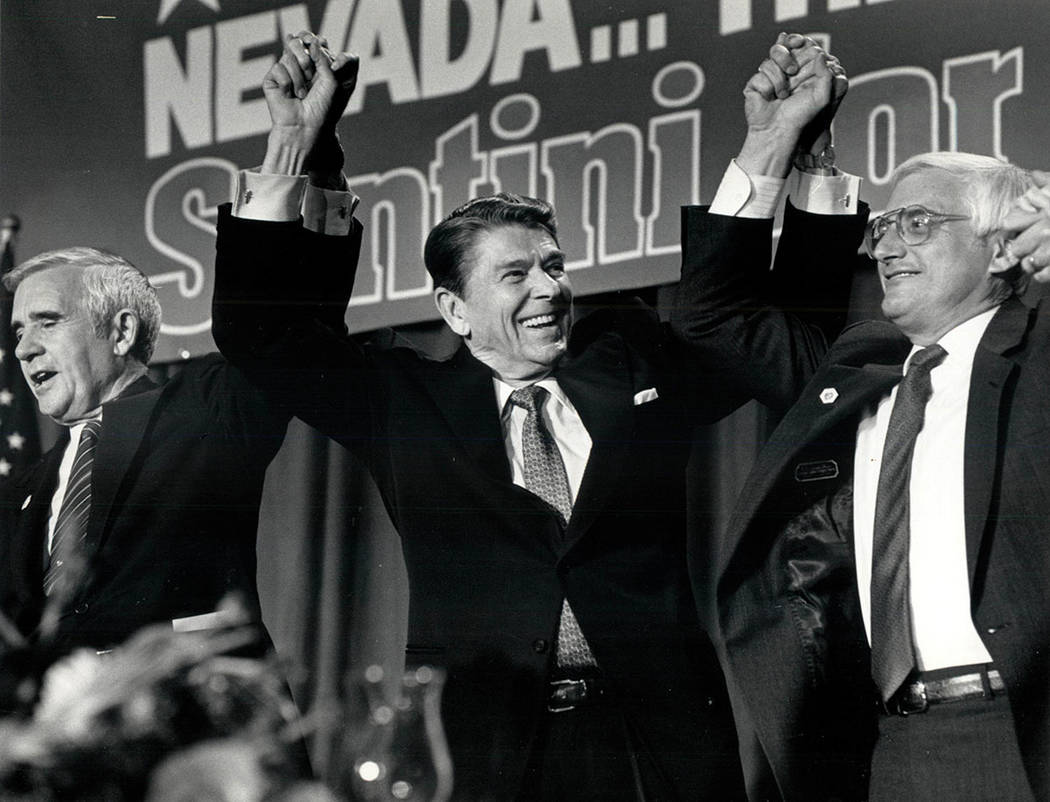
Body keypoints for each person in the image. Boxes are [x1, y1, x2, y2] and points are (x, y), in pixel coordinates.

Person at [212, 32, 864, 800]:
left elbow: (779, 337)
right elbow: (261, 335)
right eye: (516, 274)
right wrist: (293, 147)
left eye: (554, 266)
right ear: (454, 310)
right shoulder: (403, 404)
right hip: (492, 755)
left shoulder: (633, 363)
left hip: (658, 747)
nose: (549, 289)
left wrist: (785, 150)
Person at [690, 121, 1050, 798]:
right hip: (892, 750)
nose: (884, 246)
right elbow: (714, 320)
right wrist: (772, 139)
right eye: (882, 227)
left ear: (1002, 247)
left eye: (917, 223)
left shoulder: (1038, 356)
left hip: (1020, 735)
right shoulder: (858, 373)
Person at [0, 246, 292, 658]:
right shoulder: (21, 488)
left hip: (187, 691)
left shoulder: (206, 409)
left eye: (47, 322)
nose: (23, 349)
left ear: (121, 332)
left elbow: (276, 336)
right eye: (18, 332)